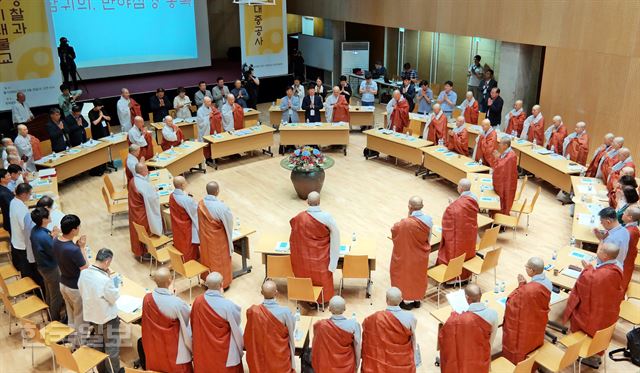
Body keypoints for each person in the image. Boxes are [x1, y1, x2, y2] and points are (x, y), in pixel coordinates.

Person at [562, 243, 624, 368]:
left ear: (605, 256)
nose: (597, 250)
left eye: (600, 249)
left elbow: (589, 281)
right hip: (607, 312)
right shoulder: (617, 267)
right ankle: (593, 354)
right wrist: (590, 270)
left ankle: (584, 353)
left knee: (579, 316)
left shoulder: (603, 274)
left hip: (595, 314)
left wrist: (587, 269)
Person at [290, 191, 340, 303]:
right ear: (319, 202)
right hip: (321, 258)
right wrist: (334, 260)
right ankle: (323, 300)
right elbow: (336, 236)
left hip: (304, 258)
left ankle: (307, 298)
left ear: (307, 202)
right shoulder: (326, 217)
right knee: (322, 280)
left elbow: (294, 238)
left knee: (306, 277)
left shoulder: (299, 217)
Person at [141, 267, 193, 373]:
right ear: (170, 281)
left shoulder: (147, 299)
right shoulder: (176, 303)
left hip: (154, 342)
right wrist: (173, 297)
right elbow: (187, 318)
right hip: (173, 345)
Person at [78, 248, 121, 373]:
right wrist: (113, 283)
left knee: (100, 344)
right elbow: (113, 298)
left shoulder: (84, 273)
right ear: (107, 262)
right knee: (112, 348)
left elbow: (82, 290)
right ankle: (114, 371)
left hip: (93, 316)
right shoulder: (105, 280)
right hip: (108, 319)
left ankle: (102, 370)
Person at [501, 257, 552, 364]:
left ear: (532, 271)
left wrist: (521, 286)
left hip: (527, 323)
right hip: (539, 319)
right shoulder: (548, 282)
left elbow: (512, 302)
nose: (526, 268)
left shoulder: (527, 290)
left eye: (527, 267)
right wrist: (524, 286)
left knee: (521, 344)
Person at [191, 272, 244, 372]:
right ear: (221, 285)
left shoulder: (197, 301)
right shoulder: (228, 305)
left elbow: (193, 323)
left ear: (206, 284)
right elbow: (236, 324)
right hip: (223, 348)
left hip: (203, 345)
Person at [438, 284, 497, 373]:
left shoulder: (457, 319)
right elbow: (491, 340)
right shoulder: (493, 314)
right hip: (482, 357)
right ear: (481, 295)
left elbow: (445, 337)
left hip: (464, 357)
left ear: (466, 298)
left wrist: (453, 316)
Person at [361, 287, 420, 371]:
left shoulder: (376, 318)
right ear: (401, 300)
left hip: (382, 360)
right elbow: (412, 338)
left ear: (386, 300)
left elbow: (366, 327)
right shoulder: (410, 317)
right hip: (403, 361)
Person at [244, 280, 296, 372]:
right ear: (276, 293)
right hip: (279, 356)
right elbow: (291, 330)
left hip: (261, 356)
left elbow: (250, 332)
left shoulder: (253, 311)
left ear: (261, 293)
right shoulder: (285, 312)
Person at [390, 196, 431, 310]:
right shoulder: (428, 220)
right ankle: (417, 300)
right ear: (422, 206)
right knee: (418, 276)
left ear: (409, 207)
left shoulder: (404, 223)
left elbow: (394, 230)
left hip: (407, 254)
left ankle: (407, 301)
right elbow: (428, 238)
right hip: (421, 254)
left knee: (406, 276)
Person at [53, 214, 88, 337]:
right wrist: (82, 248)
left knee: (70, 314)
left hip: (63, 283)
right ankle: (81, 344)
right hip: (75, 287)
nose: (79, 229)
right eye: (78, 227)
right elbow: (85, 269)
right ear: (73, 230)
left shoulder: (56, 240)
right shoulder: (74, 250)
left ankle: (72, 339)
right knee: (80, 316)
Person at [439, 179, 479, 282]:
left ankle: (454, 277)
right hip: (470, 232)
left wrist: (451, 206)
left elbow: (453, 216)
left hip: (460, 235)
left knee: (456, 250)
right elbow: (464, 213)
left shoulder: (456, 206)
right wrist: (454, 204)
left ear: (460, 188)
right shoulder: (474, 198)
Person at [198, 181, 235, 288]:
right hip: (218, 239)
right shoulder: (221, 207)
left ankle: (207, 280)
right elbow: (229, 222)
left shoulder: (201, 204)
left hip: (205, 237)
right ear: (217, 191)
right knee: (220, 261)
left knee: (207, 259)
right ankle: (222, 284)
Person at [312, 295, 362, 373]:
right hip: (347, 366)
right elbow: (357, 347)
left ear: (329, 309)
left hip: (327, 367)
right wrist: (357, 366)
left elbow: (317, 345)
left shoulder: (321, 325)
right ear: (345, 309)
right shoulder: (354, 325)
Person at [30, 207, 64, 321]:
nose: (50, 216)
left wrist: (52, 235)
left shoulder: (35, 230)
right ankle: (55, 320)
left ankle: (50, 314)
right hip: (50, 268)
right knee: (57, 296)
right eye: (48, 215)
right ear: (44, 219)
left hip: (42, 267)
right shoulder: (43, 236)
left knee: (49, 292)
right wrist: (54, 237)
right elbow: (54, 252)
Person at [128, 163, 163, 258]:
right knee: (145, 232)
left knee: (138, 232)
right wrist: (155, 192)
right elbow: (153, 199)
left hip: (135, 211)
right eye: (146, 169)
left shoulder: (133, 180)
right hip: (142, 214)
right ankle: (147, 251)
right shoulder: (142, 184)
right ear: (142, 171)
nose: (148, 171)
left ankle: (141, 251)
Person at [170, 176, 199, 261]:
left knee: (180, 242)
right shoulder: (185, 199)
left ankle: (180, 260)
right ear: (182, 185)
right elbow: (195, 210)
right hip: (186, 226)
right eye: (185, 182)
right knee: (187, 244)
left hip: (176, 223)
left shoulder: (172, 195)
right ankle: (189, 261)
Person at [10, 183, 33, 276]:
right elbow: (26, 228)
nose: (30, 196)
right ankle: (31, 288)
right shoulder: (21, 209)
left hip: (16, 240)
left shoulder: (13, 201)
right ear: (24, 194)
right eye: (30, 194)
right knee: (27, 269)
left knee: (24, 266)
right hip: (22, 243)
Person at [492, 136, 519, 216]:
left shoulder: (511, 156)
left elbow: (501, 166)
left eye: (500, 143)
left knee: (504, 198)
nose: (499, 145)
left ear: (506, 145)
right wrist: (499, 157)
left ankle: (502, 215)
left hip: (507, 182)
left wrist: (497, 158)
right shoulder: (507, 152)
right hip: (505, 180)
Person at [621, 206, 640, 291]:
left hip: (625, 262)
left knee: (620, 285)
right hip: (627, 258)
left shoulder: (629, 232)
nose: (622, 214)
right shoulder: (632, 228)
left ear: (630, 217)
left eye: (624, 213)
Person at [0, 169, 13, 234]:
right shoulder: (4, 193)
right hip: (11, 222)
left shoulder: (3, 188)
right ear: (2, 179)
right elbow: (12, 207)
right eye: (8, 175)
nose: (10, 176)